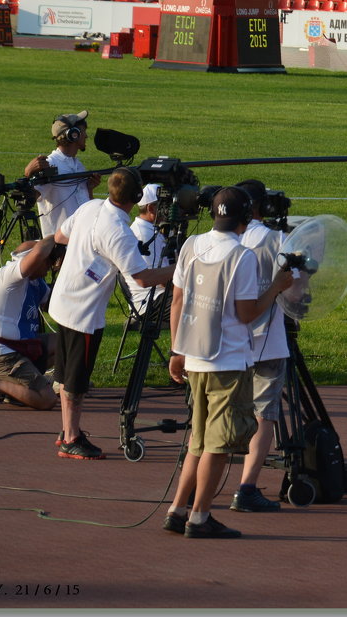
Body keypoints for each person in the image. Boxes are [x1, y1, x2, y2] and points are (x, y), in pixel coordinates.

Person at [162, 187, 294, 539]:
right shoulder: (242, 255)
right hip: (228, 360)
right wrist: (277, 287)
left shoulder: (191, 246)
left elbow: (176, 300)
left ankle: (178, 509)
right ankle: (200, 516)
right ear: (247, 217)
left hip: (195, 356)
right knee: (217, 446)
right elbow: (247, 312)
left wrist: (177, 351)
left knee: (197, 441)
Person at [48, 167, 175, 460]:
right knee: (76, 380)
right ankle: (71, 437)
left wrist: (89, 250)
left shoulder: (91, 206)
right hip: (84, 311)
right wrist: (176, 270)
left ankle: (68, 430)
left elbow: (59, 235)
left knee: (68, 374)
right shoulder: (118, 231)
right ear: (136, 196)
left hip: (64, 301)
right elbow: (141, 278)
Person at [227, 179, 290, 514]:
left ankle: (197, 486)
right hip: (267, 341)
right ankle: (246, 487)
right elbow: (298, 287)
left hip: (226, 342)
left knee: (223, 413)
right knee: (265, 415)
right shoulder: (277, 239)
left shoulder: (220, 240)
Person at [0, 237, 63, 411]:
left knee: (66, 343)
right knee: (47, 400)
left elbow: (56, 305)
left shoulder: (35, 281)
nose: (49, 267)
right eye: (47, 262)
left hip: (20, 349)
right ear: (34, 260)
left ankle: (18, 392)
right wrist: (58, 235)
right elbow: (40, 251)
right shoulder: (10, 275)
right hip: (0, 356)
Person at [23, 110, 102, 239]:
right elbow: (34, 197)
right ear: (73, 135)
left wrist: (89, 189)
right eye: (83, 132)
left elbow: (85, 208)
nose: (86, 136)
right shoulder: (50, 165)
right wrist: (28, 174)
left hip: (79, 240)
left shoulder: (78, 165)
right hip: (59, 244)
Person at [122, 183, 169, 324]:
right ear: (151, 208)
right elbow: (160, 280)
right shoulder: (144, 234)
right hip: (150, 301)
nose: (169, 210)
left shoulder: (150, 229)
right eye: (164, 206)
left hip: (156, 296)